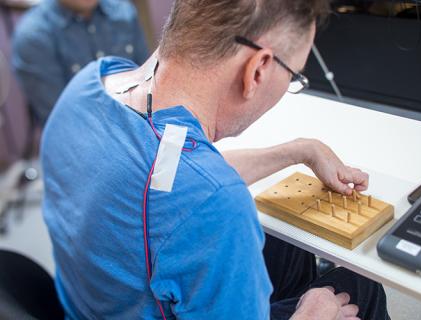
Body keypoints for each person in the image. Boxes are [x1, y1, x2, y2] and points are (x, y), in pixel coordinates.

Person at [41, 0, 390, 319]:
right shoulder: (216, 203)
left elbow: (175, 186)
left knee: (286, 242)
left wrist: (299, 150)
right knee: (358, 286)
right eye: (293, 77)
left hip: (90, 300)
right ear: (258, 69)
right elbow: (201, 197)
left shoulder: (90, 82)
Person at [12, 0, 149, 126]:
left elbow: (148, 81)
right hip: (84, 138)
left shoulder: (123, 12)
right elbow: (62, 122)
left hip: (140, 123)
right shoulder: (33, 37)